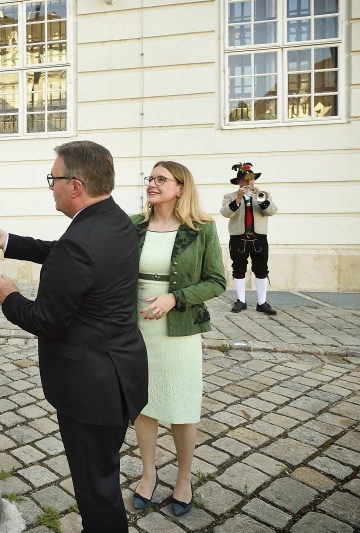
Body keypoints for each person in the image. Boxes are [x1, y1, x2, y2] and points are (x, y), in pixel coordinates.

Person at [0, 140, 148, 532]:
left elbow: (46, 319)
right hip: (118, 376)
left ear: (76, 185)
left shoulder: (83, 240)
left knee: (96, 494)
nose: (50, 185)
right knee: (101, 479)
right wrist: (8, 241)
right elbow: (66, 253)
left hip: (91, 390)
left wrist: (9, 298)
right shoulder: (113, 219)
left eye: (53, 178)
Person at [130, 161, 225, 516]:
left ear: (181, 187)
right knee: (144, 404)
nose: (152, 184)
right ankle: (149, 474)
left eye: (161, 179)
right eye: (149, 179)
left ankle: (184, 479)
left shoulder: (201, 229)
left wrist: (175, 298)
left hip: (179, 330)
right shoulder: (133, 225)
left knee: (182, 407)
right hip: (137, 330)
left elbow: (217, 281)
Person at [220, 162, 278, 315]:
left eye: (251, 179)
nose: (248, 183)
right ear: (239, 182)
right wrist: (238, 199)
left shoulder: (263, 194)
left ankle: (262, 302)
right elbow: (226, 213)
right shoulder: (230, 196)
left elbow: (271, 211)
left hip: (259, 237)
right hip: (238, 237)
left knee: (261, 269)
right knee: (238, 268)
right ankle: (241, 300)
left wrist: (260, 198)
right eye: (245, 180)